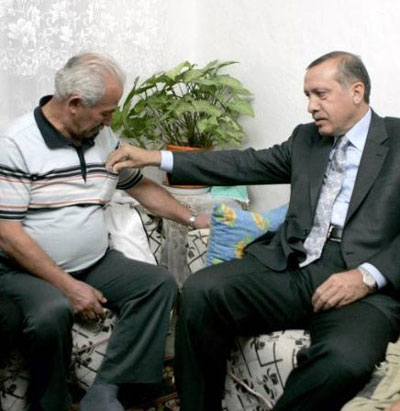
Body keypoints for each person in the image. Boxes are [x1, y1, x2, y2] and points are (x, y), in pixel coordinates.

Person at [106, 51, 400, 411]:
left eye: (320, 94)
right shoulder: (307, 139)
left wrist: (368, 276)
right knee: (201, 291)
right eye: (307, 95)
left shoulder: (398, 140)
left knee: (344, 361)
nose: (311, 106)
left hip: (365, 282)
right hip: (295, 265)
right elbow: (243, 163)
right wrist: (156, 157)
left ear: (356, 91)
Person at [0, 52, 209, 411]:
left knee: (157, 285)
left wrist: (190, 219)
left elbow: (138, 186)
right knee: (51, 312)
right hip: (24, 270)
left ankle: (107, 389)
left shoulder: (101, 136)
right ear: (75, 104)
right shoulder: (16, 144)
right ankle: (50, 404)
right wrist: (69, 288)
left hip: (94, 261)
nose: (112, 120)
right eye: (106, 112)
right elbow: (7, 233)